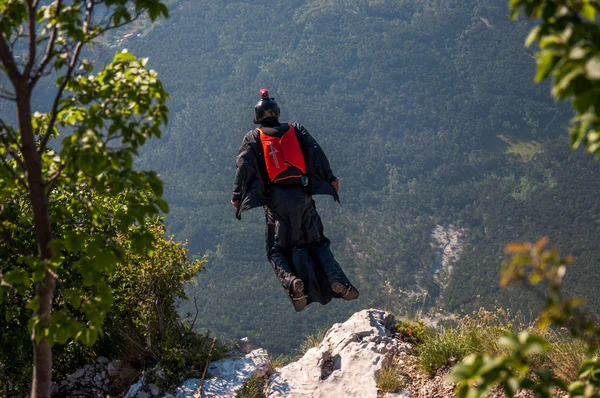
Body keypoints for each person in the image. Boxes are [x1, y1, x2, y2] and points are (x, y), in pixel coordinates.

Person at [231, 88, 359, 311]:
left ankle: (293, 283)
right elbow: (317, 152)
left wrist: (236, 196)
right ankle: (337, 280)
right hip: (303, 195)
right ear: (277, 112)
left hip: (277, 201)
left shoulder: (253, 137)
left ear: (258, 117)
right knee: (317, 243)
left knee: (276, 250)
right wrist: (330, 178)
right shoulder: (295, 129)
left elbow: (243, 166)